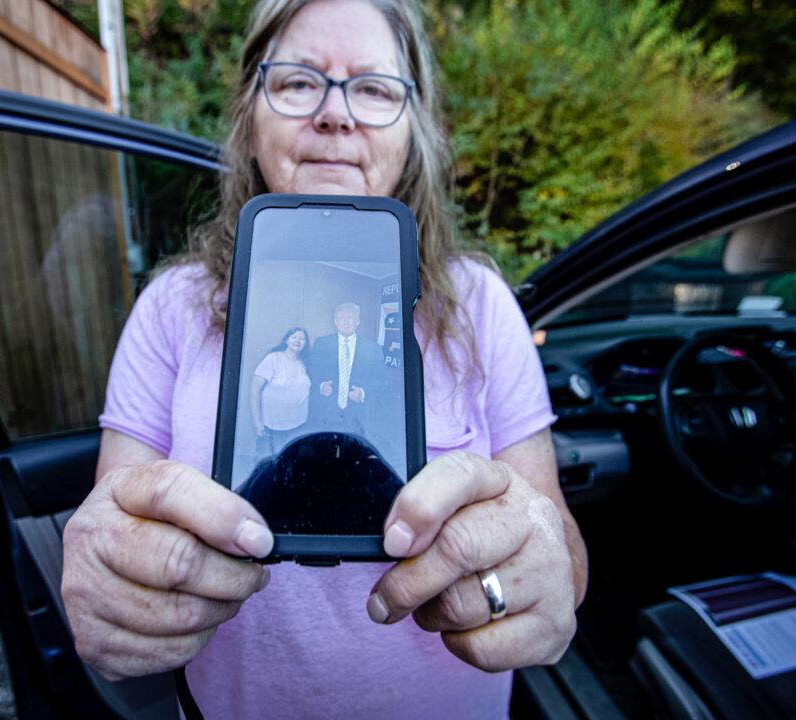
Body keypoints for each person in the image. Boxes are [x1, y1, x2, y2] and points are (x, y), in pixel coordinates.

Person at [63, 1, 589, 717]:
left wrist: (543, 574)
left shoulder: (481, 304)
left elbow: (562, 551)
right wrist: (109, 580)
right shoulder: (170, 308)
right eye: (299, 81)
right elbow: (114, 522)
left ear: (415, 131)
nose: (336, 115)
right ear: (250, 116)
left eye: (374, 89)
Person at [308, 302, 386, 439]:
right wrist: (321, 385)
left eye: (350, 317)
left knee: (353, 448)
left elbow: (381, 380)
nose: (345, 322)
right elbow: (311, 369)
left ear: (357, 321)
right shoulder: (322, 343)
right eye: (341, 318)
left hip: (358, 413)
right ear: (335, 321)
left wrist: (362, 393)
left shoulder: (373, 349)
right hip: (327, 409)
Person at [251, 326, 312, 454]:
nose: (297, 341)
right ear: (286, 340)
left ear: (305, 344)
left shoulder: (305, 363)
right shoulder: (273, 359)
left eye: (302, 339)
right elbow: (255, 390)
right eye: (294, 337)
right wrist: (258, 422)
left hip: (298, 424)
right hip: (272, 425)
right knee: (269, 464)